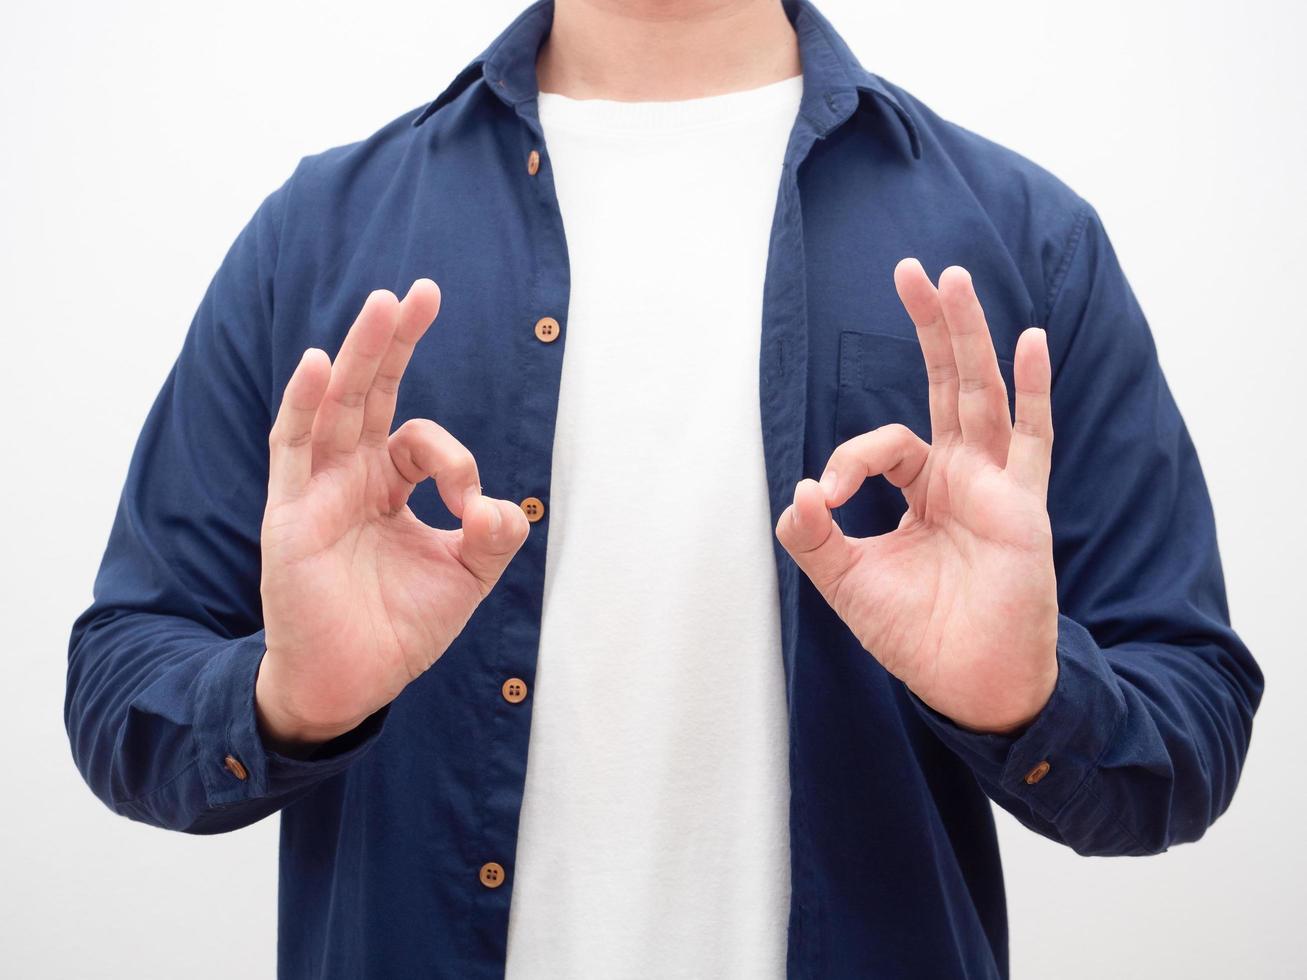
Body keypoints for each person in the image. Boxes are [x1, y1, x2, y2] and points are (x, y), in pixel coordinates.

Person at [64, 0, 1264, 976]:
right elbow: (122, 684)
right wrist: (288, 700)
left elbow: (1188, 721)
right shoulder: (318, 236)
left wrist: (1024, 698)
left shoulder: (1021, 237)